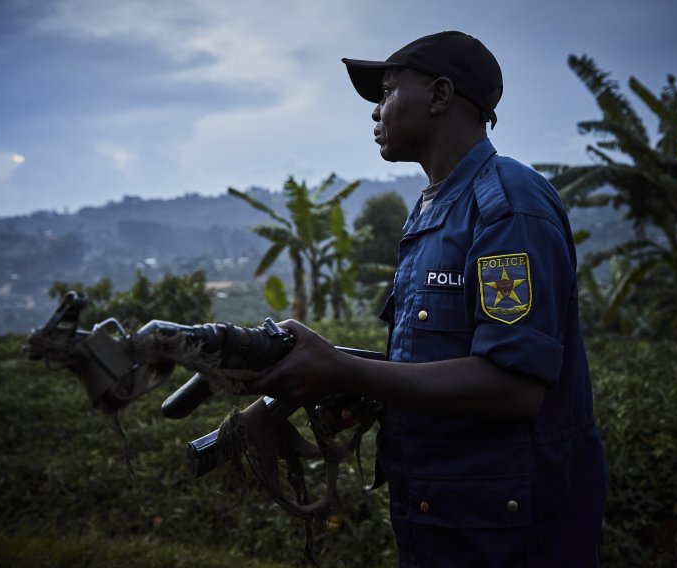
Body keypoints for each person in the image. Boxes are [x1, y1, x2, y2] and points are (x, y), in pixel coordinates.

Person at [247, 31, 608, 566]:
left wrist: (343, 371)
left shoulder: (506, 204)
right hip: (442, 515)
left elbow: (513, 385)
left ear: (440, 96)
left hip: (508, 531)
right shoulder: (434, 211)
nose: (375, 112)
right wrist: (340, 371)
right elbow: (435, 362)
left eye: (387, 92)